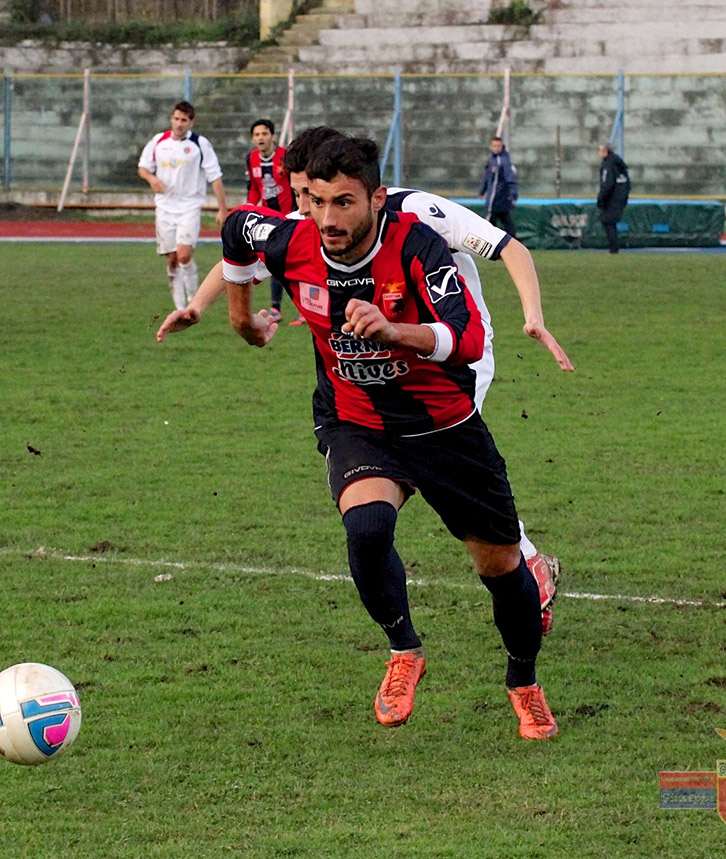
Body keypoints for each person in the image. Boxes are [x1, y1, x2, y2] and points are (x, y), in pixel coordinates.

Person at [158, 126, 573, 634]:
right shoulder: (321, 221)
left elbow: (508, 247)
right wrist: (199, 307)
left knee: (445, 459)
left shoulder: (413, 211)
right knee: (383, 479)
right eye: (303, 197)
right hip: (372, 368)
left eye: (306, 194)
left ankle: (523, 561)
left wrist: (533, 317)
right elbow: (247, 253)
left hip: (450, 356)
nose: (304, 209)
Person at [217, 134, 559, 739]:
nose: (328, 218)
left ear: (376, 199)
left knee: (502, 567)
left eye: (344, 203)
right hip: (358, 423)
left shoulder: (417, 244)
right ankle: (404, 650)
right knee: (367, 528)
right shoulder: (291, 241)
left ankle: (523, 683)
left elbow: (467, 338)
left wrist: (398, 332)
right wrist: (240, 317)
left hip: (445, 426)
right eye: (317, 202)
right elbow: (235, 230)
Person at [138, 100, 228, 310]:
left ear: (191, 122)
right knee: (172, 259)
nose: (179, 124)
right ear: (171, 119)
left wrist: (222, 208)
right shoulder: (158, 141)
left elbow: (215, 177)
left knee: (184, 255)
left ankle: (193, 304)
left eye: (184, 120)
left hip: (189, 207)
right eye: (176, 119)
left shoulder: (200, 144)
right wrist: (151, 179)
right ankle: (180, 308)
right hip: (165, 208)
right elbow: (142, 168)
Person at [244, 117, 297, 323]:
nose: (261, 138)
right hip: (270, 219)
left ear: (273, 136)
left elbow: (296, 185)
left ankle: (305, 310)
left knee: (293, 261)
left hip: (291, 216)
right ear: (252, 138)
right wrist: (248, 210)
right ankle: (276, 309)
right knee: (274, 260)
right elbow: (254, 189)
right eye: (257, 134)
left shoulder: (286, 157)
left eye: (265, 133)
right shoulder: (251, 159)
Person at [478, 136, 518, 237]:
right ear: (491, 147)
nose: (496, 148)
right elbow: (487, 177)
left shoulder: (503, 161)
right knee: (503, 221)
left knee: (497, 221)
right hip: (493, 198)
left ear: (502, 147)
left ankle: (508, 241)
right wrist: (482, 190)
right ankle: (510, 241)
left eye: (498, 146)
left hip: (499, 197)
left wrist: (513, 194)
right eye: (494, 146)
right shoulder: (491, 159)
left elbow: (510, 178)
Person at [596, 141, 630, 253]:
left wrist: (601, 198)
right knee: (611, 221)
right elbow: (627, 183)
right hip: (620, 197)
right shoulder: (620, 165)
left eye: (600, 151)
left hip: (611, 198)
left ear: (605, 152)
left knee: (608, 221)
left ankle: (613, 248)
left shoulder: (608, 166)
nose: (599, 153)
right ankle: (614, 247)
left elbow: (607, 184)